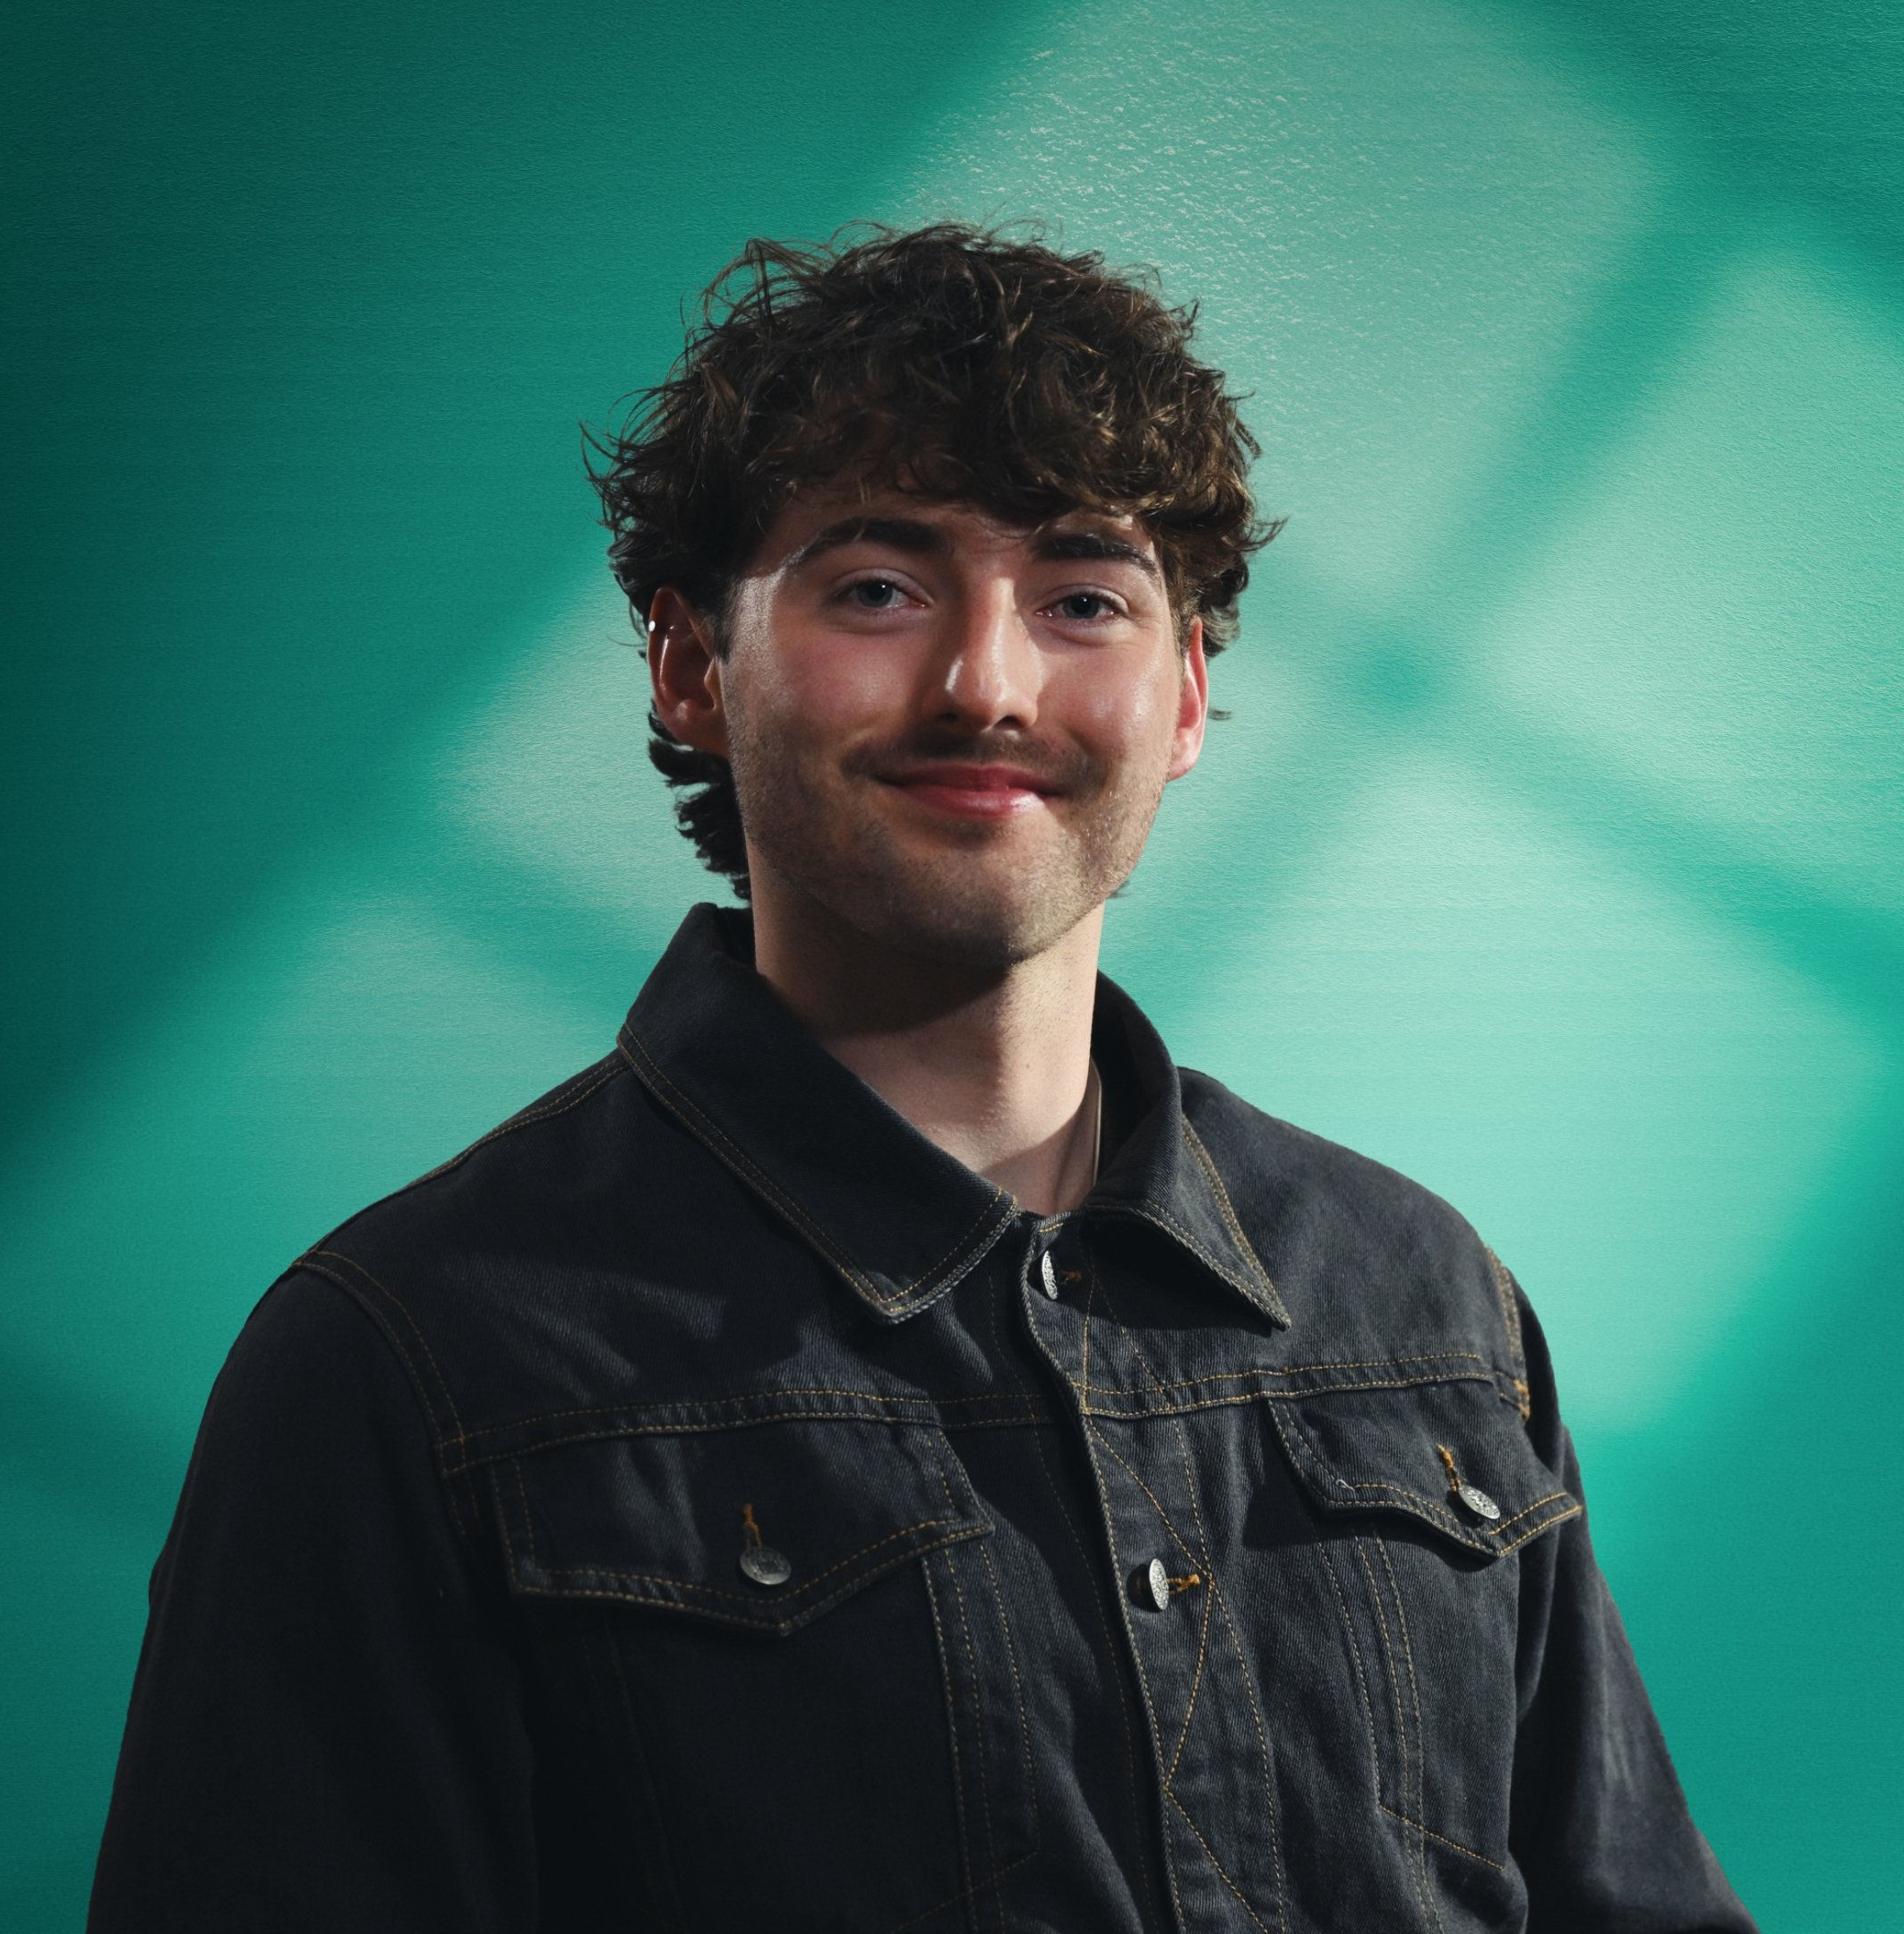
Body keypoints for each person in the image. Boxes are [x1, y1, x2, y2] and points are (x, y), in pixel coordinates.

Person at [90, 224, 1755, 1932]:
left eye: (1083, 598)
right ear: (689, 669)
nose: (986, 683)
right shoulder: (407, 1362)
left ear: (1185, 695)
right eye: (878, 588)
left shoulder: (1426, 1303)